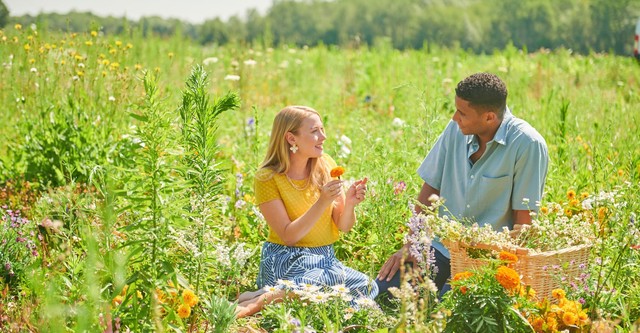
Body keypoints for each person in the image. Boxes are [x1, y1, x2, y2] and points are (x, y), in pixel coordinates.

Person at [376, 72, 549, 300]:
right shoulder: (455, 129)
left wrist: (503, 275)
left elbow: (524, 221)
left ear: (489, 117)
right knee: (382, 293)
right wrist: (412, 244)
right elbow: (431, 188)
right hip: (441, 249)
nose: (455, 118)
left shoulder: (528, 144)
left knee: (449, 310)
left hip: (487, 259)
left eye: (462, 113)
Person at [236, 105, 378, 318]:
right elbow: (289, 235)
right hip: (284, 258)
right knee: (314, 282)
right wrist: (322, 202)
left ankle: (261, 296)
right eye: (314, 131)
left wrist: (349, 204)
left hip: (324, 259)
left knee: (368, 287)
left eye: (322, 129)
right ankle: (254, 305)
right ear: (291, 139)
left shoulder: (326, 165)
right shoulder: (267, 178)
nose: (323, 136)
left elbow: (344, 226)